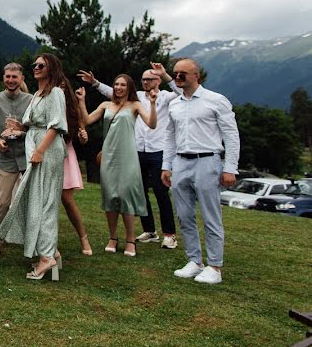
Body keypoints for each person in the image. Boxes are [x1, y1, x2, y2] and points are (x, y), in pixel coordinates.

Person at [78, 63, 181, 249]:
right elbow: (113, 92)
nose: (146, 82)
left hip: (159, 150)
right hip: (135, 151)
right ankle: (149, 231)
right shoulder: (137, 97)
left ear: (157, 80)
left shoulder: (166, 96)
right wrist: (95, 83)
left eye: (150, 79)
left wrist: (165, 74)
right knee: (137, 192)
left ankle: (169, 234)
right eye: (143, 79)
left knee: (160, 191)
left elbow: (182, 93)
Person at [162, 58, 239, 285]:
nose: (177, 77)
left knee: (210, 215)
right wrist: (167, 165)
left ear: (197, 75)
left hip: (207, 160)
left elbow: (231, 135)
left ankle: (215, 266)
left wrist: (230, 168)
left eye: (182, 74)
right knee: (184, 215)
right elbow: (170, 136)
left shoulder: (215, 100)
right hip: (181, 162)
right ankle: (194, 261)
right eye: (175, 73)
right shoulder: (174, 104)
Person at [0, 53, 68, 281]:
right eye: (34, 64)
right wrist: (18, 128)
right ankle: (51, 251)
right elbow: (35, 125)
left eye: (41, 65)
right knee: (36, 200)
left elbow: (56, 126)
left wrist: (39, 151)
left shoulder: (56, 92)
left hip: (47, 151)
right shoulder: (37, 94)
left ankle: (47, 257)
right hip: (35, 147)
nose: (36, 67)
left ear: (51, 69)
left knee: (45, 202)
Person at [76, 74, 157, 258]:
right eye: (116, 84)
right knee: (111, 196)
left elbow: (152, 124)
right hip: (109, 156)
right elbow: (87, 120)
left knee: (126, 195)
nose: (119, 87)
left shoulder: (135, 106)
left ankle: (130, 240)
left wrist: (152, 104)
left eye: (123, 84)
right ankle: (113, 238)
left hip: (128, 156)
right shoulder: (106, 105)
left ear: (129, 87)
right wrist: (82, 101)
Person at [0, 63, 33, 259]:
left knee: (31, 199)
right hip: (5, 157)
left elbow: (36, 128)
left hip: (27, 155)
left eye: (14, 77)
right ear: (3, 78)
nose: (11, 80)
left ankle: (33, 239)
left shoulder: (31, 100)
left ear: (21, 79)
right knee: (2, 201)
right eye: (8, 77)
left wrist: (21, 132)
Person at [58, 78, 92, 256]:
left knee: (68, 201)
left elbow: (82, 137)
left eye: (63, 87)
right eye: (58, 86)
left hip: (65, 153)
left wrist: (83, 136)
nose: (61, 89)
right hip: (46, 153)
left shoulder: (72, 109)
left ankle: (83, 238)